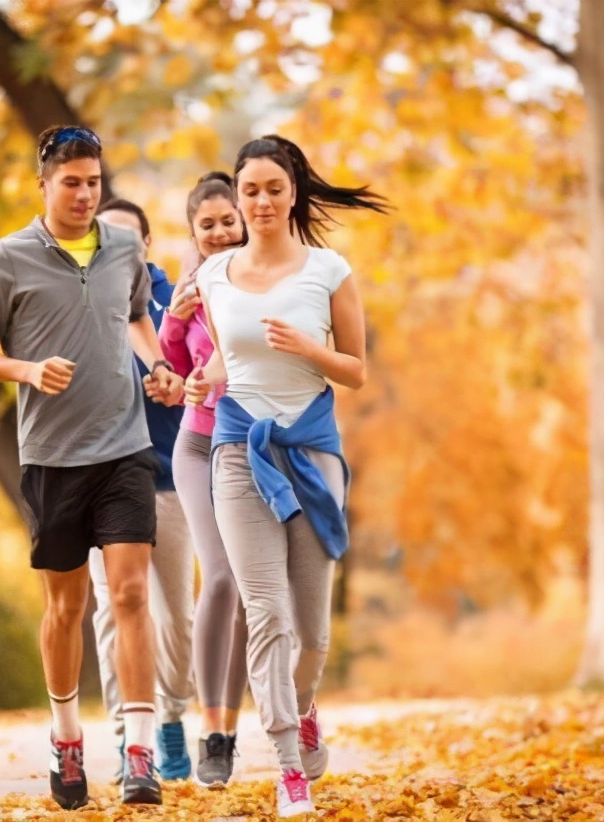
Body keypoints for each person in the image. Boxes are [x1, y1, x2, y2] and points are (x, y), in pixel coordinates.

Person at [0, 125, 184, 811]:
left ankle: (138, 753)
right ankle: (66, 739)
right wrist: (24, 369)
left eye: (94, 182)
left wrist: (162, 368)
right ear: (44, 184)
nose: (85, 195)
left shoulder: (122, 250)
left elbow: (139, 318)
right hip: (52, 458)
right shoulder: (8, 258)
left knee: (133, 594)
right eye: (72, 183)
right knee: (67, 607)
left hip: (124, 450)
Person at [185, 135, 388, 817]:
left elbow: (357, 370)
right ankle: (287, 763)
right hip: (239, 450)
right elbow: (228, 363)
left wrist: (310, 347)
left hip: (311, 453)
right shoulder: (214, 277)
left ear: (293, 191)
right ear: (237, 199)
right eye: (250, 191)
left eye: (274, 188)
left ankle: (301, 708)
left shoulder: (328, 272)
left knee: (312, 632)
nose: (262, 201)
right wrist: (198, 379)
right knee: (265, 612)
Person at [86, 197, 195, 783]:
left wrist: (176, 382)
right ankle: (132, 735)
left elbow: (203, 369)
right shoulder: (84, 299)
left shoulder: (177, 301)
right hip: (102, 477)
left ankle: (173, 716)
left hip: (171, 478)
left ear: (147, 246)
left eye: (130, 238)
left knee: (177, 617)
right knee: (114, 611)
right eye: (108, 238)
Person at [158, 172, 250, 786]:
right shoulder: (189, 282)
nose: (219, 232)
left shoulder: (266, 274)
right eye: (207, 224)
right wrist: (175, 314)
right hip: (196, 442)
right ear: (194, 231)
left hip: (251, 443)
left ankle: (230, 729)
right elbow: (175, 361)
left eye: (227, 221)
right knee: (217, 575)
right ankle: (210, 733)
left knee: (247, 588)